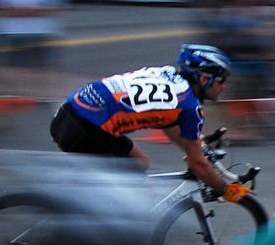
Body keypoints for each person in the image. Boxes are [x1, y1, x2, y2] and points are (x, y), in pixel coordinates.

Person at [54, 44, 238, 199]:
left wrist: (197, 145)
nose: (224, 86)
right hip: (86, 128)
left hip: (68, 113)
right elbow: (198, 165)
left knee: (137, 166)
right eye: (222, 81)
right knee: (137, 177)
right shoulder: (191, 107)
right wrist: (227, 190)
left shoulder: (168, 75)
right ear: (204, 79)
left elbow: (171, 126)